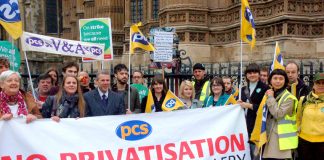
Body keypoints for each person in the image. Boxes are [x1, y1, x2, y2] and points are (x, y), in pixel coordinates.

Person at [262, 69, 298, 159]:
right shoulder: (270, 93)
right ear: (270, 80)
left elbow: (278, 114)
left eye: (281, 79)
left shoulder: (289, 98)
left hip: (281, 141)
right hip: (268, 136)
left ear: (285, 81)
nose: (278, 81)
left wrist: (270, 97)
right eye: (275, 78)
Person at [237, 63, 269, 159]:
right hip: (244, 127)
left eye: (254, 72)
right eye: (249, 73)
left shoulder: (265, 88)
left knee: (256, 155)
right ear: (246, 75)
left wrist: (249, 105)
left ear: (259, 74)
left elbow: (265, 108)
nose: (252, 75)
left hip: (257, 127)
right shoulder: (242, 89)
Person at [296, 72, 324, 160]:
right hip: (305, 141)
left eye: (323, 83)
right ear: (313, 85)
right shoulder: (303, 100)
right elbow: (298, 118)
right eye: (318, 83)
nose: (321, 85)